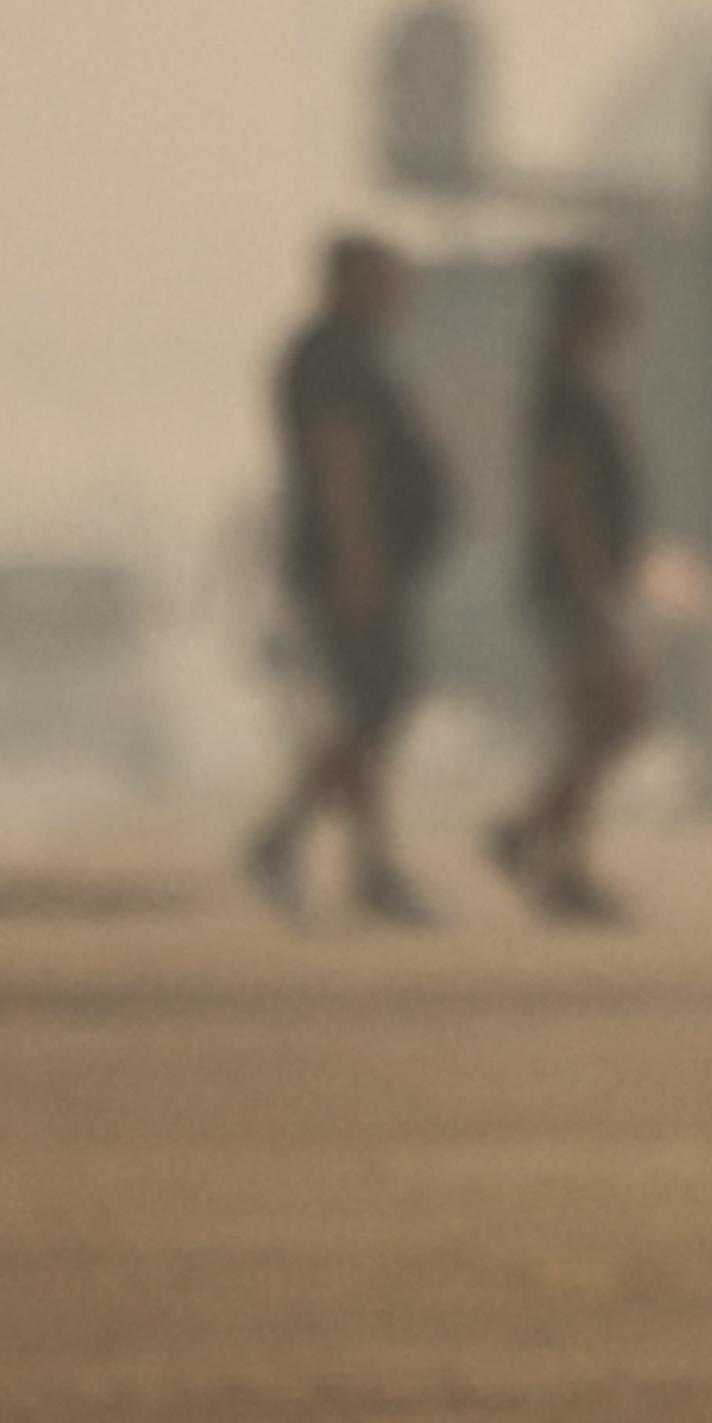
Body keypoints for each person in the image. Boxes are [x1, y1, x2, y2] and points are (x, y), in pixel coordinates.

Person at [243, 231, 449, 926]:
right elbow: (342, 467)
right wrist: (359, 565)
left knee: (370, 711)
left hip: (363, 564)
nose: (399, 294)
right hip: (350, 569)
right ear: (350, 281)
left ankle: (368, 864)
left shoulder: (348, 354)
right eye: (386, 279)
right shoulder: (332, 359)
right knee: (369, 709)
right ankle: (287, 838)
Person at [489, 248, 651, 923]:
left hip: (584, 580)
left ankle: (542, 843)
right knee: (611, 714)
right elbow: (565, 495)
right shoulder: (563, 392)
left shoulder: (575, 386)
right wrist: (592, 587)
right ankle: (548, 853)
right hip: (573, 585)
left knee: (600, 722)